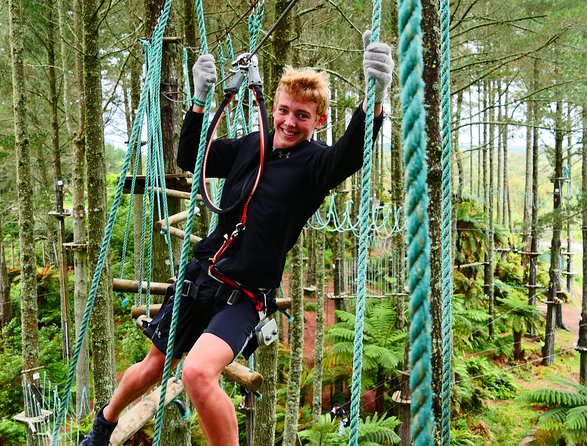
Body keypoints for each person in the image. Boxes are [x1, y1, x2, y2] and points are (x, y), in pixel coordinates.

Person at [80, 30, 393, 446]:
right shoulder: (253, 144)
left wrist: (374, 99)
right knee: (153, 366)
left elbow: (352, 153)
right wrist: (198, 100)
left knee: (196, 373)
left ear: (319, 121)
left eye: (302, 115)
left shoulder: (317, 164)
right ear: (274, 109)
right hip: (200, 277)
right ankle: (105, 423)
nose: (288, 122)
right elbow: (190, 158)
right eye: (283, 111)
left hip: (243, 295)